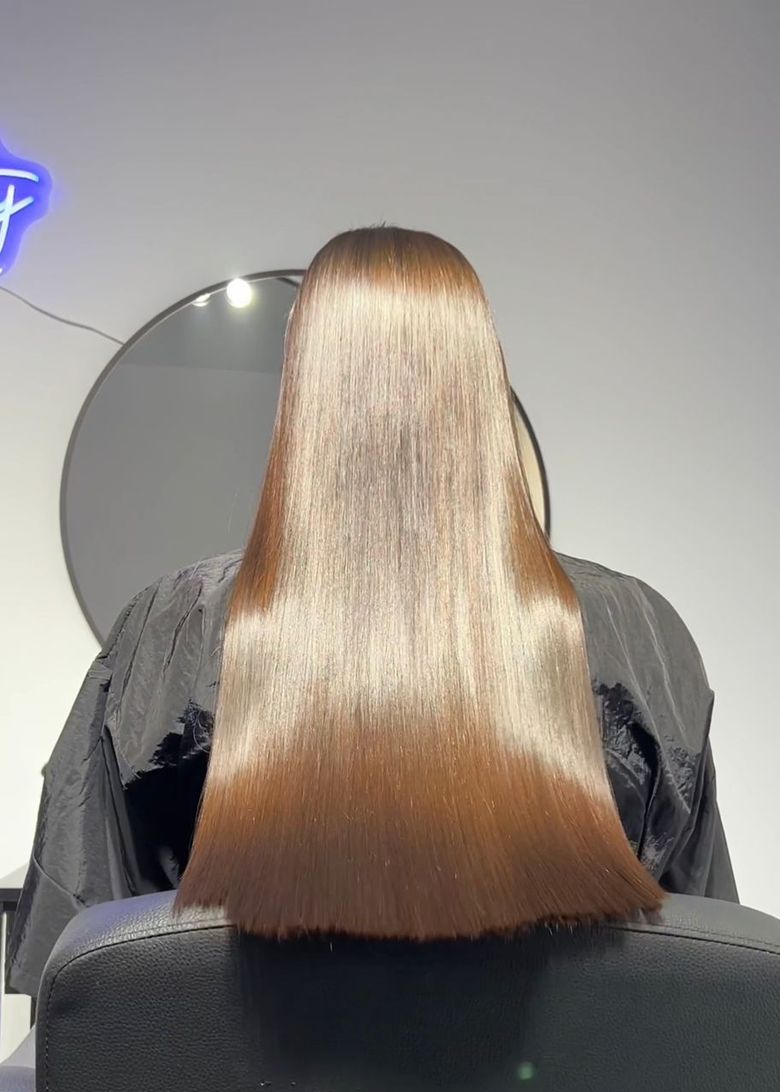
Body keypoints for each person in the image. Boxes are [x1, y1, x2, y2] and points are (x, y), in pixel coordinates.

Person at [8, 227, 737, 995]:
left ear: (303, 384)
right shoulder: (635, 632)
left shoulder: (172, 628)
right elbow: (709, 973)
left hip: (236, 1075)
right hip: (569, 1075)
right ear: (483, 372)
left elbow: (75, 974)